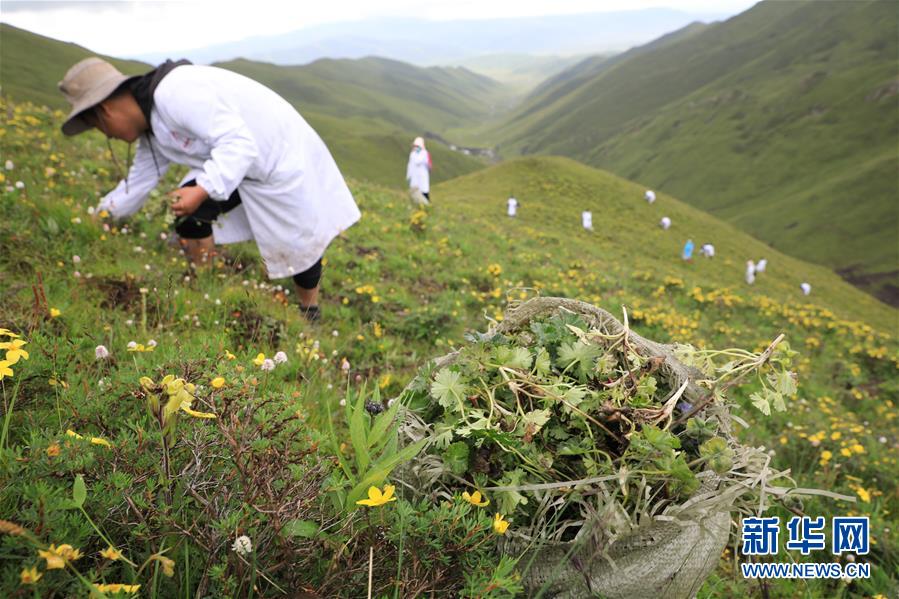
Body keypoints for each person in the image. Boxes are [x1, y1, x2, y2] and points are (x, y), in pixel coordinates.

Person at [58, 57, 360, 322]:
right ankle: (205, 281)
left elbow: (239, 144)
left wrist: (202, 188)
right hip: (241, 168)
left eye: (100, 129)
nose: (108, 136)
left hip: (281, 158)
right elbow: (136, 185)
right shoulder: (152, 127)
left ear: (106, 112)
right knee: (188, 210)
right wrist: (97, 219)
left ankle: (310, 313)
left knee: (299, 242)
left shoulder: (175, 93)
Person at [406, 136, 431, 203]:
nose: (416, 147)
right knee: (414, 191)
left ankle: (427, 205)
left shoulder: (424, 153)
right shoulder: (412, 154)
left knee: (424, 191)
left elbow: (420, 161)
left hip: (422, 177)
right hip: (414, 177)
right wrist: (408, 175)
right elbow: (410, 165)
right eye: (415, 146)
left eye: (417, 146)